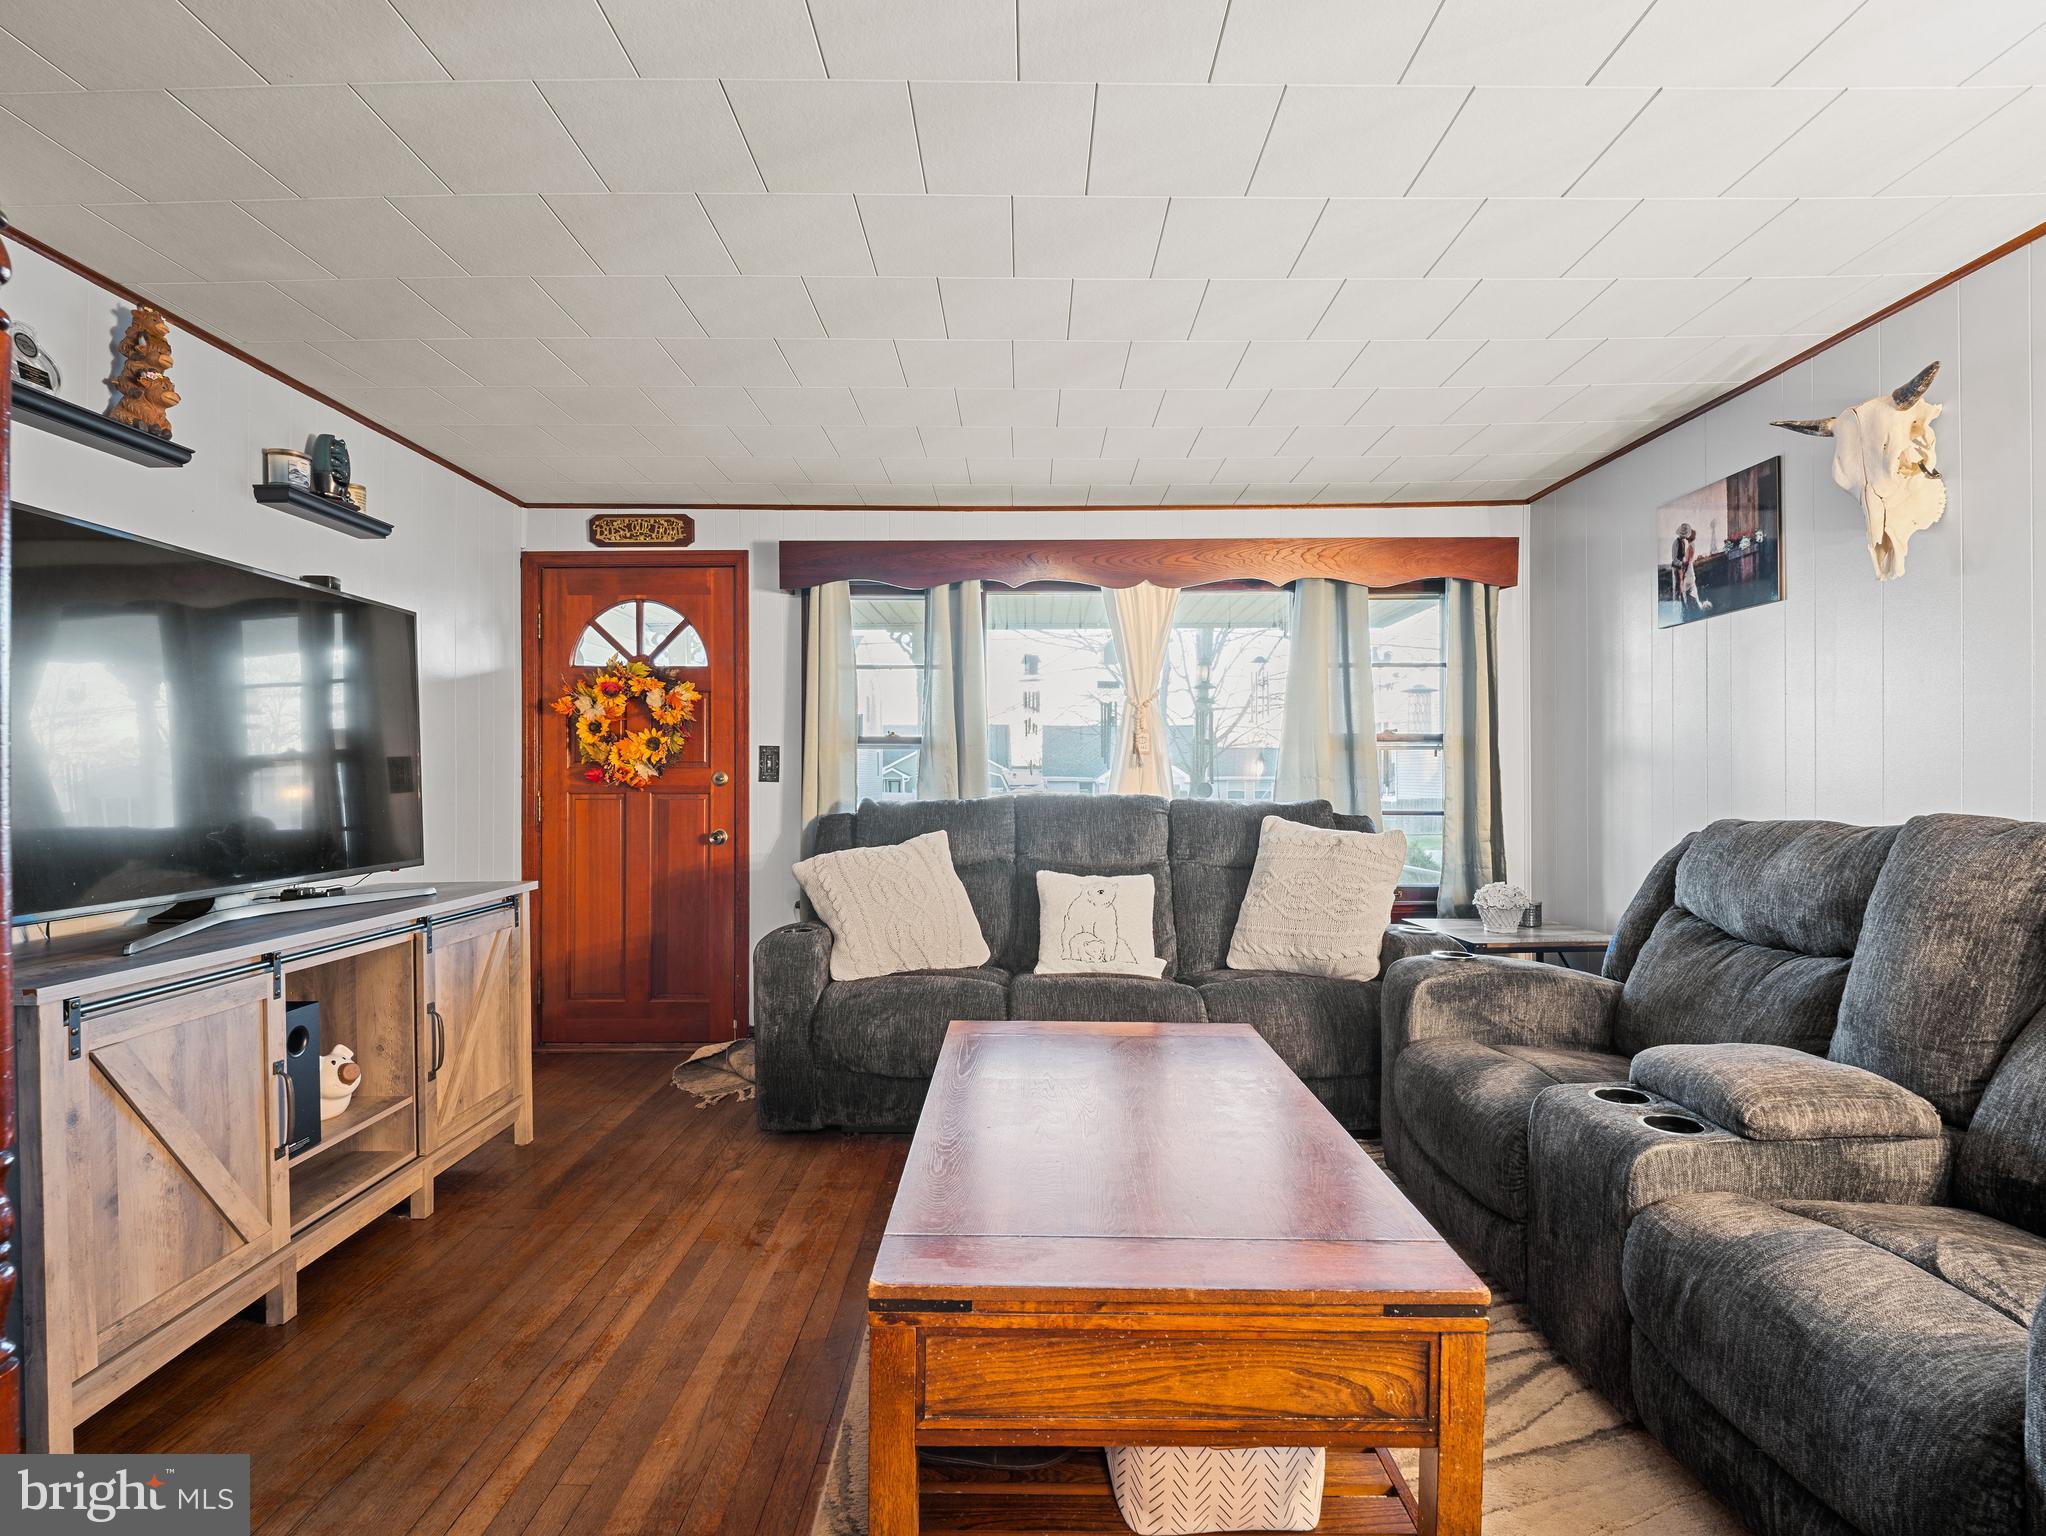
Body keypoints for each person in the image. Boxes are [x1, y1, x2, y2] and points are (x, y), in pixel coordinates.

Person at [1671, 522, 1711, 616]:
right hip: (1677, 569)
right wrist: (1682, 564)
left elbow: (1687, 560)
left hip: (1683, 570)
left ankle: (1686, 610)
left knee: (1684, 591)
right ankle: (1679, 611)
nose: (1685, 536)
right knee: (1678, 592)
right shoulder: (1676, 543)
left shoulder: (1686, 544)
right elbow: (1674, 559)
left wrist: (1684, 566)